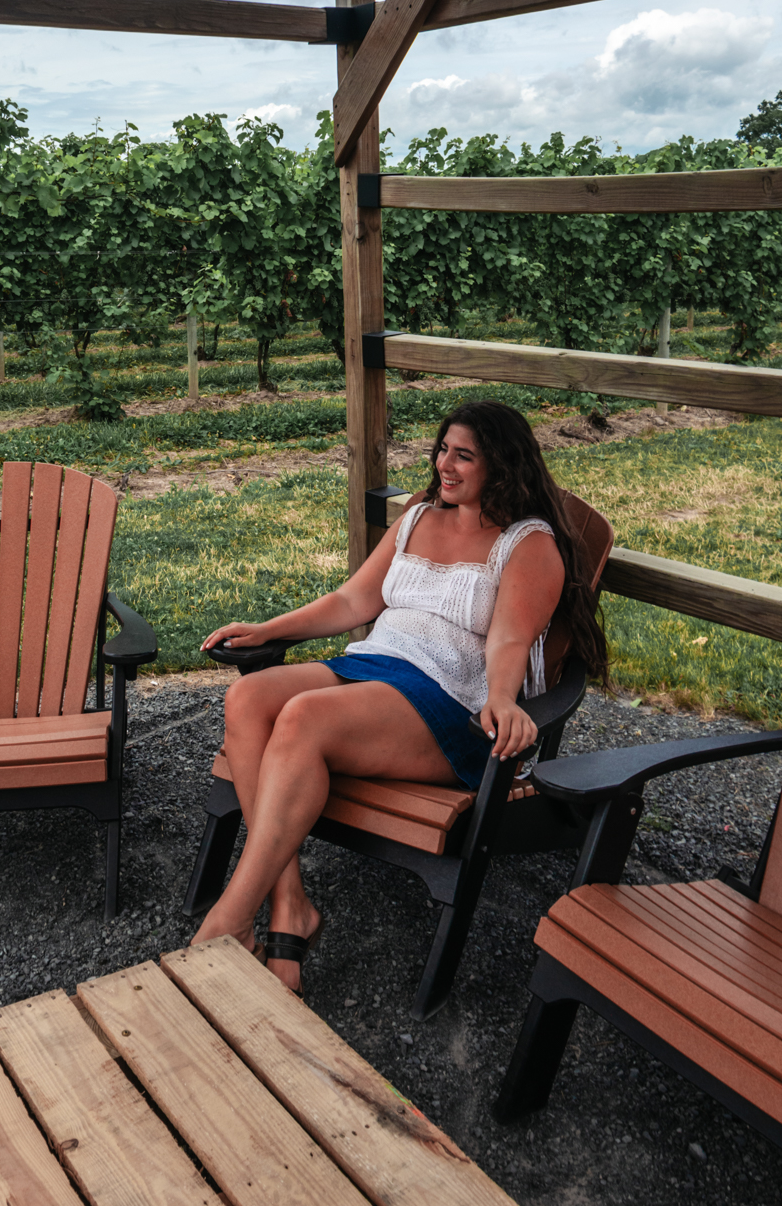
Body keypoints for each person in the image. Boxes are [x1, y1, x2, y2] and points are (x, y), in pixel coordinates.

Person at [191, 398, 609, 994]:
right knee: (249, 700)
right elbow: (352, 602)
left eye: (465, 456)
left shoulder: (526, 543)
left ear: (503, 466)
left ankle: (227, 922)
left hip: (446, 702)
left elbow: (510, 639)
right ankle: (290, 910)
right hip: (375, 668)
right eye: (443, 449)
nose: (446, 464)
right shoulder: (417, 517)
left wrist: (502, 697)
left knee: (303, 717)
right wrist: (269, 629)